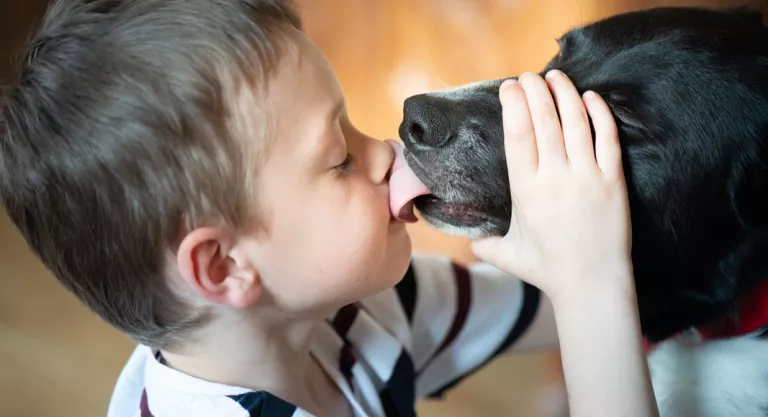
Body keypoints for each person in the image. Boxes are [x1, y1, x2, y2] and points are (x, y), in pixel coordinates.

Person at [0, 1, 657, 416]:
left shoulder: (359, 307)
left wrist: (585, 260)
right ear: (224, 264)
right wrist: (591, 286)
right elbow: (593, 305)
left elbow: (598, 307)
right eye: (339, 157)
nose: (386, 151)